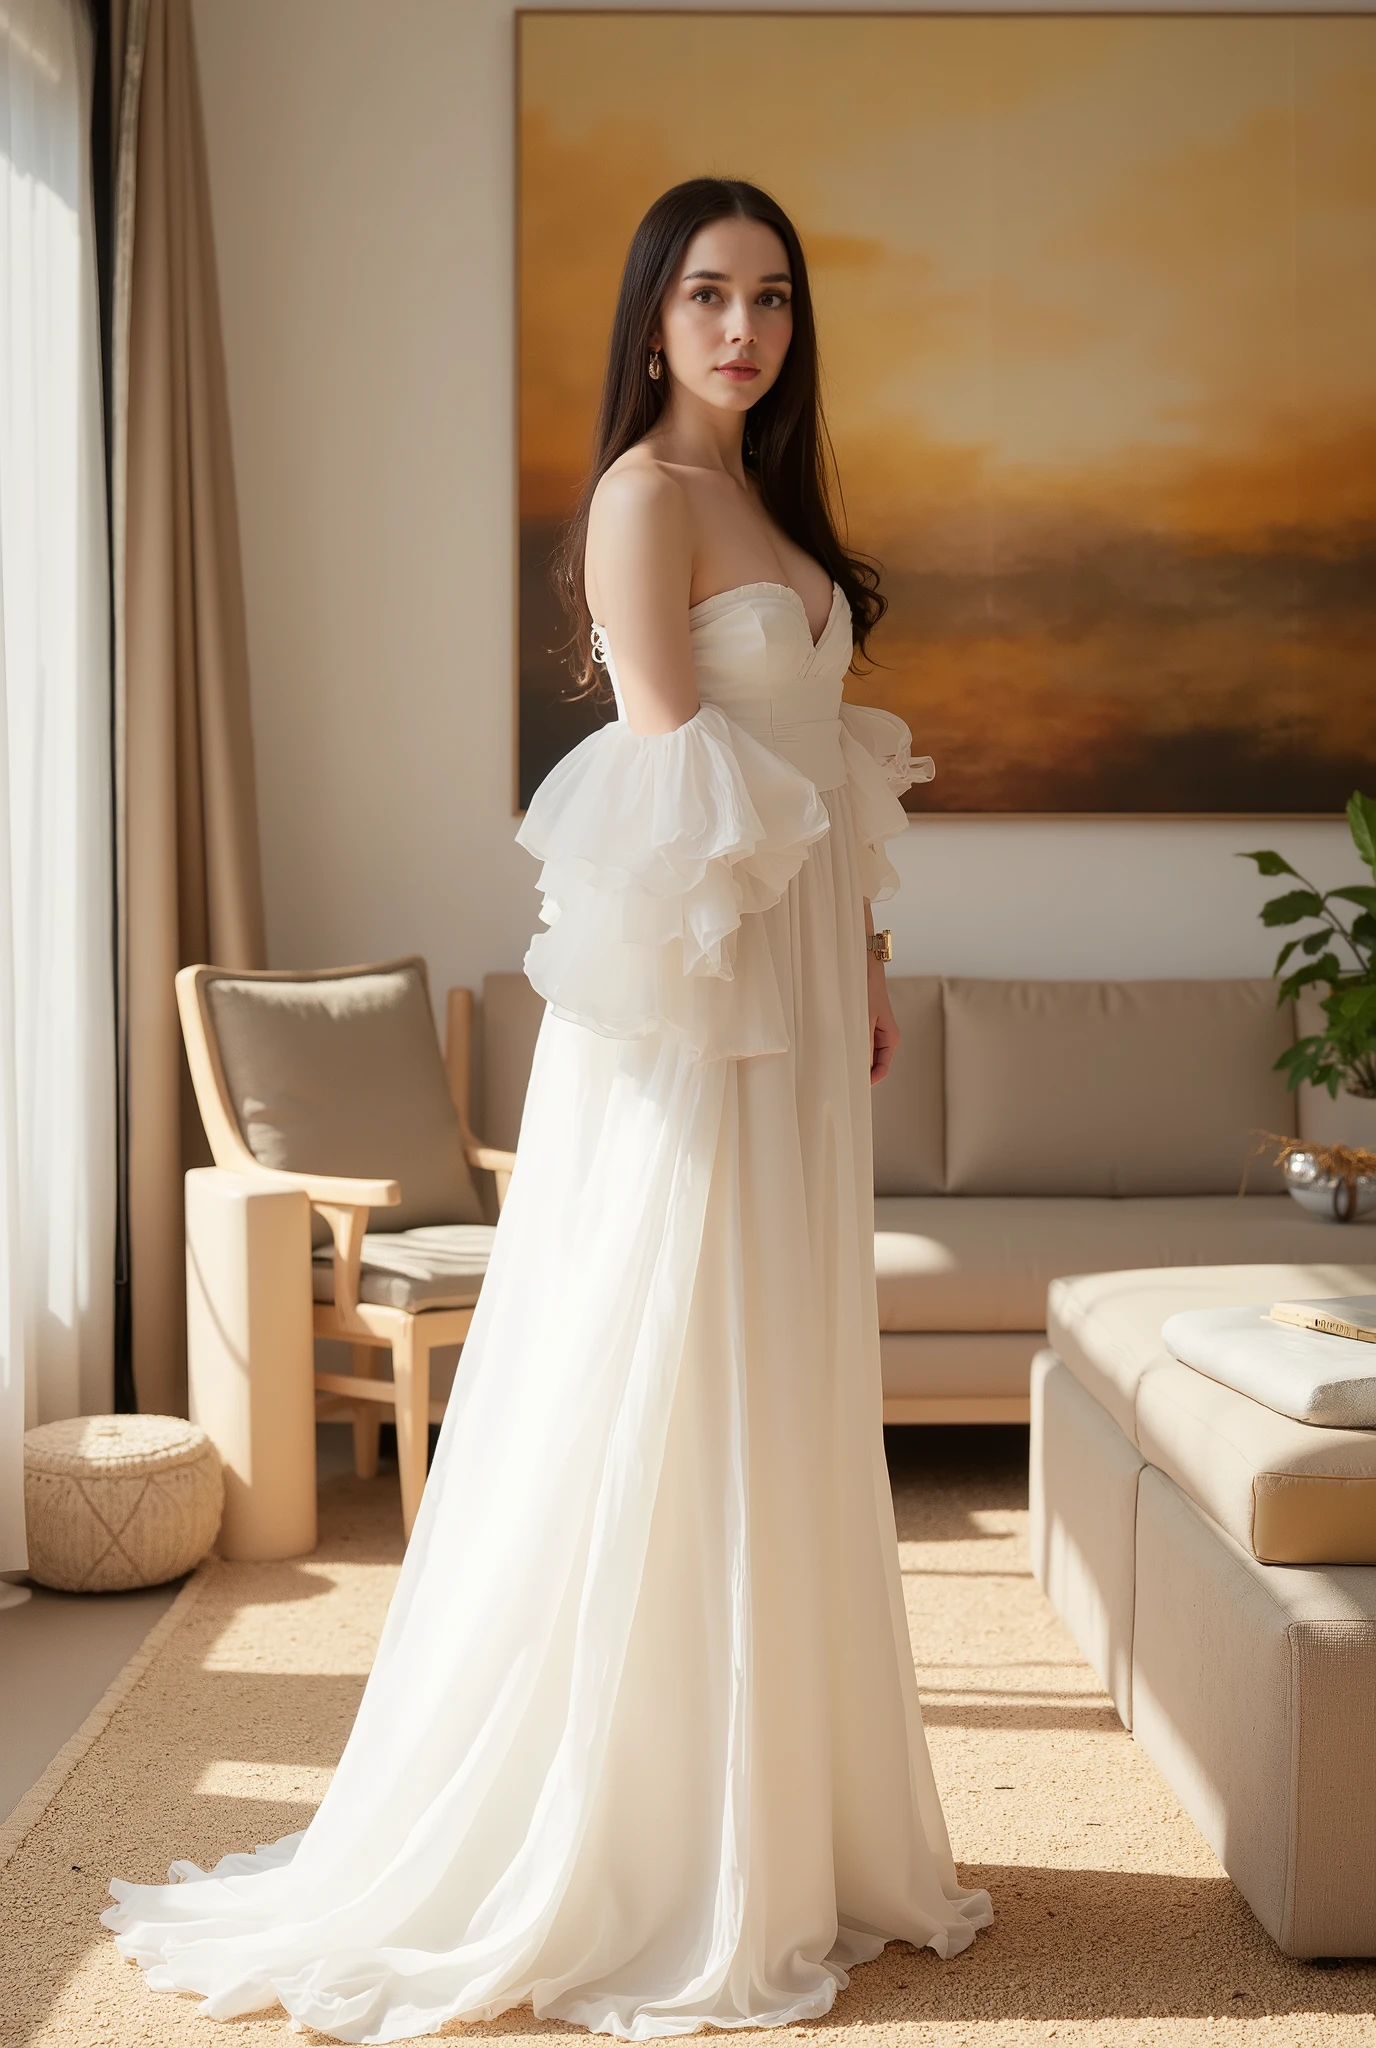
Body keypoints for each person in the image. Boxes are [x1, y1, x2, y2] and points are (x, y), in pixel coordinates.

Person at [103, 176, 991, 2044]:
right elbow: (674, 776)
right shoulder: (641, 500)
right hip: (691, 1012)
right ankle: (640, 1836)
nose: (742, 330)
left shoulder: (768, 504)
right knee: (667, 1364)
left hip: (798, 1002)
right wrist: (795, 956)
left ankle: (790, 1816)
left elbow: (824, 763)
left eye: (769, 299)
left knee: (775, 1370)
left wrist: (871, 957)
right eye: (706, 298)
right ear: (651, 322)